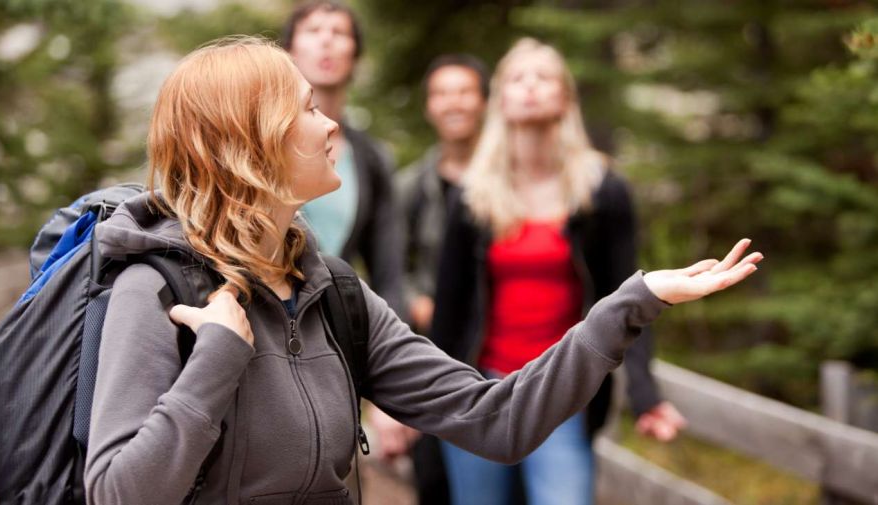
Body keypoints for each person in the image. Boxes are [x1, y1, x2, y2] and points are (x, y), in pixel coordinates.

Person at [82, 36, 761, 505]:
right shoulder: (157, 288)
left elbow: (496, 416)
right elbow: (116, 492)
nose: (331, 130)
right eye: (310, 109)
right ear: (249, 141)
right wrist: (217, 359)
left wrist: (632, 300)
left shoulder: (333, 290)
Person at [429, 38, 688, 505]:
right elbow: (449, 308)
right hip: (480, 387)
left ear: (565, 98)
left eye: (543, 77)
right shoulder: (472, 196)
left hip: (563, 386)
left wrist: (646, 396)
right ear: (501, 100)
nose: (530, 87)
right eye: (517, 78)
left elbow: (631, 298)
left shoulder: (602, 190)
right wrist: (429, 399)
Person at [368, 54, 490, 504]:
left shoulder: (510, 183)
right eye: (441, 93)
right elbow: (392, 267)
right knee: (435, 481)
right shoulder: (411, 187)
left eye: (463, 91)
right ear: (429, 107)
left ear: (483, 102)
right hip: (434, 353)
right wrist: (418, 300)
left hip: (500, 355)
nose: (452, 103)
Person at [282, 0, 404, 315]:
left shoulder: (373, 157)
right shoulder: (265, 144)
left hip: (342, 324)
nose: (327, 40)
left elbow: (388, 269)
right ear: (289, 51)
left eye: (339, 32)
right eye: (313, 30)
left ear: (354, 56)